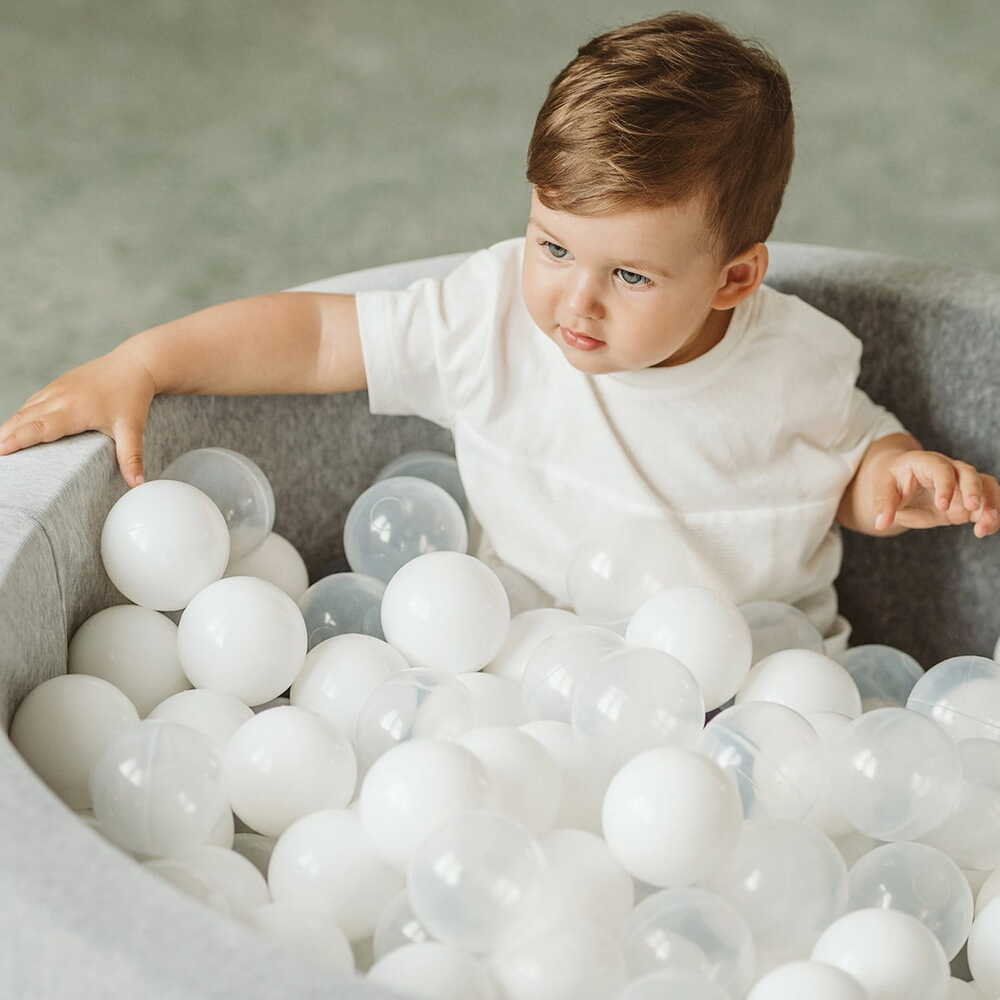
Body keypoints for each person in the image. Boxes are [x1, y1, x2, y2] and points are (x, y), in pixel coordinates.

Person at [0, 12, 995, 657]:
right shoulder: (487, 319)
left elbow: (846, 459)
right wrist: (145, 360)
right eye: (552, 246)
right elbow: (314, 339)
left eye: (630, 276)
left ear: (733, 278)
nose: (575, 303)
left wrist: (892, 478)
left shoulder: (796, 364)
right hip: (509, 661)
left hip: (754, 701)